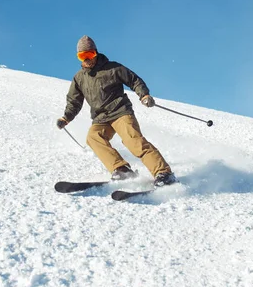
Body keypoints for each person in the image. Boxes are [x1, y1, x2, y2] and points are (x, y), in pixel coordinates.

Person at [57, 35, 177, 187]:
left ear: (96, 53)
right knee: (93, 138)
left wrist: (144, 95)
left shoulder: (113, 68)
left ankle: (163, 173)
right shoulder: (79, 78)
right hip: (101, 117)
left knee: (133, 140)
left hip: (120, 111)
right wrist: (66, 118)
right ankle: (121, 170)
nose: (87, 59)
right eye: (82, 56)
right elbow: (74, 101)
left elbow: (134, 80)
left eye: (90, 54)